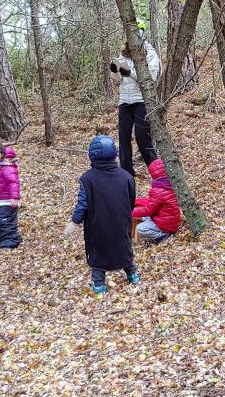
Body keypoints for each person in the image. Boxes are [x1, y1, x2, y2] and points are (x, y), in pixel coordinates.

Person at [65, 136, 140, 295]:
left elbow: (82, 205)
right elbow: (131, 201)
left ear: (92, 154)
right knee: (123, 248)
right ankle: (133, 275)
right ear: (114, 153)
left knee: (99, 254)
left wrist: (74, 221)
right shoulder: (126, 176)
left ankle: (99, 286)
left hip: (97, 225)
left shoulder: (87, 179)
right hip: (121, 222)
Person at [111, 40, 160, 176]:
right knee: (123, 137)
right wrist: (115, 71)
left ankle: (157, 174)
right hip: (124, 101)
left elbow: (151, 78)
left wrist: (129, 72)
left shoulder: (150, 54)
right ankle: (126, 175)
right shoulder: (123, 54)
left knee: (142, 137)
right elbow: (119, 79)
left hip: (141, 100)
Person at [131, 158, 181, 243]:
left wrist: (132, 212)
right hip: (172, 221)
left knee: (140, 228)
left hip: (165, 224)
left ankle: (163, 236)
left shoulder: (157, 190)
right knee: (144, 217)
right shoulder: (171, 184)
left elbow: (149, 210)